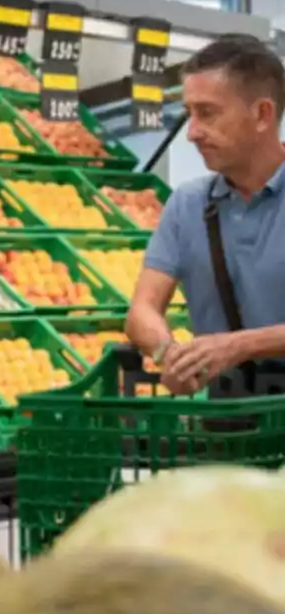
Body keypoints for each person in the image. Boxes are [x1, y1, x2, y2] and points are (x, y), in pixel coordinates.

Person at [127, 33, 285, 395]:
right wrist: (169, 353)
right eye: (189, 114)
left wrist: (238, 345)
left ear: (262, 115)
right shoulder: (188, 204)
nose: (192, 133)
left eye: (207, 113)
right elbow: (142, 311)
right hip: (228, 425)